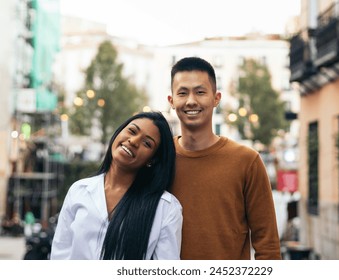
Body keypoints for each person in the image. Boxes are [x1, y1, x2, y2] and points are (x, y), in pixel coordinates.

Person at [167, 57, 281, 260]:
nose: (191, 100)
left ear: (216, 98)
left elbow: (268, 246)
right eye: (182, 93)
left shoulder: (247, 161)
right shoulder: (160, 159)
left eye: (200, 92)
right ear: (171, 101)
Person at [50, 111, 182, 260]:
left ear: (152, 160)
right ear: (118, 132)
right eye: (132, 131)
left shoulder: (165, 208)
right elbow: (59, 255)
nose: (133, 141)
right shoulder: (79, 191)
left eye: (147, 143)